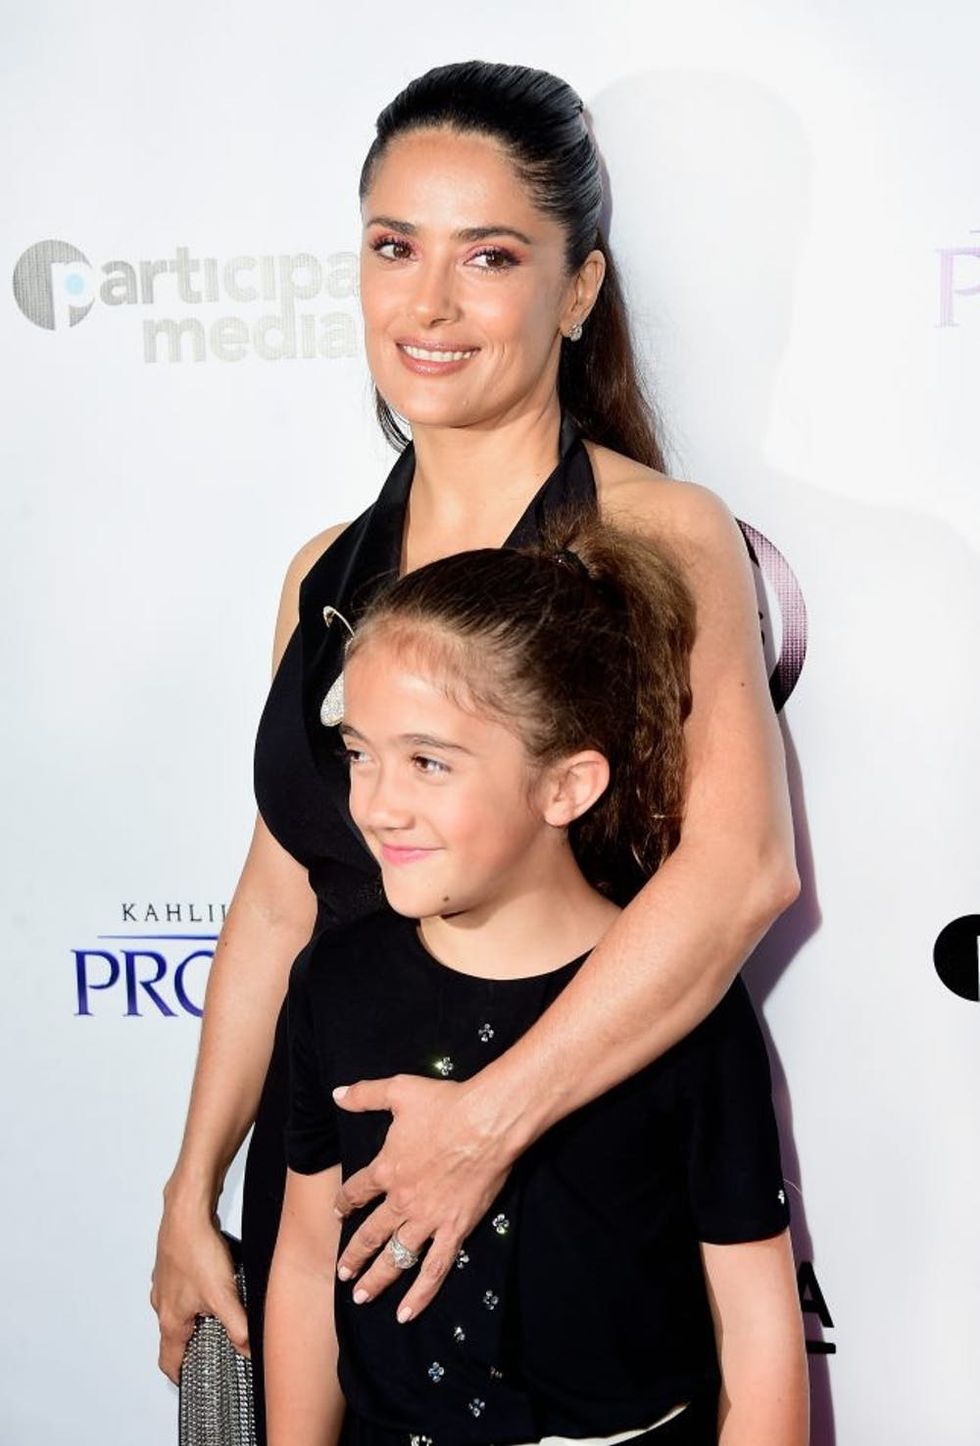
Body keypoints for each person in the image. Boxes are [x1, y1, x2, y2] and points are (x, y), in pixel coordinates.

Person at [151, 60, 800, 1446]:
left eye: (488, 256)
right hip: (342, 1181)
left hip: (559, 1178)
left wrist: (486, 1120)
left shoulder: (667, 535)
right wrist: (192, 1182)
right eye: (394, 248)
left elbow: (740, 871)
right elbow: (282, 897)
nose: (427, 304)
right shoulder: (325, 570)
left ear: (576, 292)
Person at [264, 511, 808, 1446]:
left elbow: (758, 1326)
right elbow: (311, 1262)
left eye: (428, 762)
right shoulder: (334, 984)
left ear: (566, 787)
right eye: (359, 754)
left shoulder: (677, 1004)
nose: (377, 803)